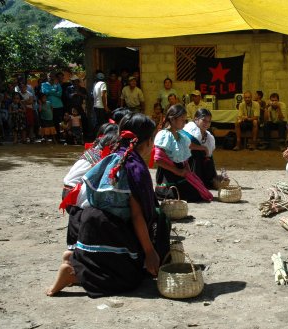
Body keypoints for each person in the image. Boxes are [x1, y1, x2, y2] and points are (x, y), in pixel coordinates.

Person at [47, 113, 170, 297]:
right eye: (152, 140)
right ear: (146, 142)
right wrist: (150, 251)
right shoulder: (134, 167)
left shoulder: (113, 157)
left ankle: (73, 259)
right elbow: (137, 215)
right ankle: (73, 276)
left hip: (90, 224)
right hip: (110, 230)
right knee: (129, 279)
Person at [154, 104, 212, 202]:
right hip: (168, 173)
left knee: (197, 193)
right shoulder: (164, 135)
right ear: (172, 120)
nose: (184, 123)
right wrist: (177, 171)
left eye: (185, 120)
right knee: (177, 194)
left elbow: (184, 157)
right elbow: (158, 160)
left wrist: (188, 173)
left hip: (180, 172)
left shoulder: (181, 136)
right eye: (182, 120)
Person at [182, 108, 217, 188]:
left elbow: (210, 152)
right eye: (204, 120)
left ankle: (208, 180)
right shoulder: (189, 130)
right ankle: (194, 181)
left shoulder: (208, 135)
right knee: (196, 152)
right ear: (196, 119)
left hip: (200, 161)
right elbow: (187, 144)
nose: (206, 124)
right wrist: (203, 148)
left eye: (209, 121)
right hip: (188, 161)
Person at [42, 72, 64, 140]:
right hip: (49, 107)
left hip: (59, 106)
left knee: (59, 122)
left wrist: (50, 92)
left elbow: (60, 94)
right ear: (47, 77)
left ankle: (59, 137)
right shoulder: (44, 84)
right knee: (50, 122)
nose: (51, 77)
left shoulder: (57, 84)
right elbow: (45, 92)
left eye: (53, 76)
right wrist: (55, 91)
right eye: (50, 76)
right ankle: (51, 137)